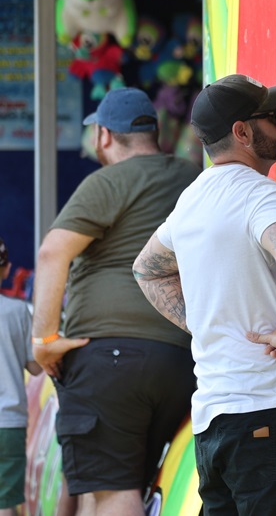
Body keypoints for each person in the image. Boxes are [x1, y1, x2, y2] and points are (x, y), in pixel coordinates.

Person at [132, 74, 276, 515]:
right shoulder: (263, 194)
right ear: (242, 132)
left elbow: (146, 270)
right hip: (273, 412)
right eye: (271, 117)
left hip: (213, 424)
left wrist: (202, 320)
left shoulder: (192, 199)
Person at [31, 88, 200, 516]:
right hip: (180, 360)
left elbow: (52, 253)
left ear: (105, 135)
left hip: (110, 361)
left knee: (113, 495)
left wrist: (44, 339)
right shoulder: (192, 178)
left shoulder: (107, 181)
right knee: (117, 488)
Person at [0, 237, 43, 516]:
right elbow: (36, 367)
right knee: (5, 504)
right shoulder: (17, 312)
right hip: (8, 424)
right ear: (5, 269)